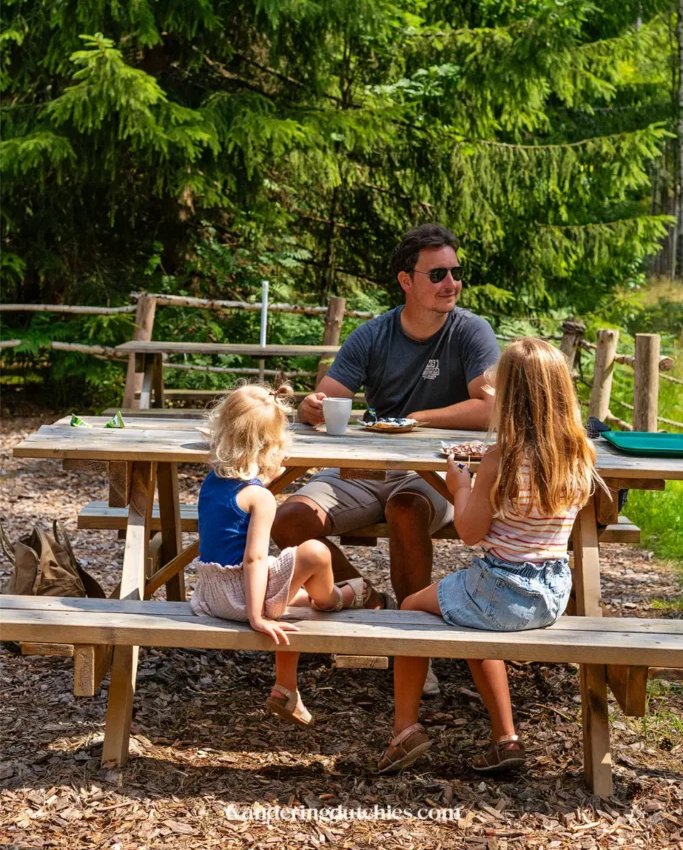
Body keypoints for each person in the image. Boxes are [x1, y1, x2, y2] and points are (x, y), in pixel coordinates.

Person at [271, 223, 500, 693]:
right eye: (437, 274)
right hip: (361, 467)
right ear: (406, 281)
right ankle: (368, 599)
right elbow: (324, 399)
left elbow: (490, 407)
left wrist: (419, 416)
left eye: (456, 272)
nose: (451, 283)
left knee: (407, 510)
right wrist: (311, 406)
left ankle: (409, 644)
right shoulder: (373, 333)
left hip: (436, 472)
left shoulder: (471, 331)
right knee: (287, 518)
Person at [376, 337, 599, 774]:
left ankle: (405, 729)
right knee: (472, 623)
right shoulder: (579, 454)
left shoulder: (501, 459)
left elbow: (468, 531)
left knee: (410, 608)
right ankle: (506, 738)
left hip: (502, 588)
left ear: (510, 398)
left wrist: (461, 486)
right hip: (550, 595)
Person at [190, 383, 367, 728]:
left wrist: (262, 479)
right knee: (314, 554)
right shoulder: (260, 498)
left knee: (295, 604)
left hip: (211, 594)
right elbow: (254, 560)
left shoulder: (212, 481)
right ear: (270, 447)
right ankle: (337, 597)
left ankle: (287, 688)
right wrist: (257, 618)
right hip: (241, 598)